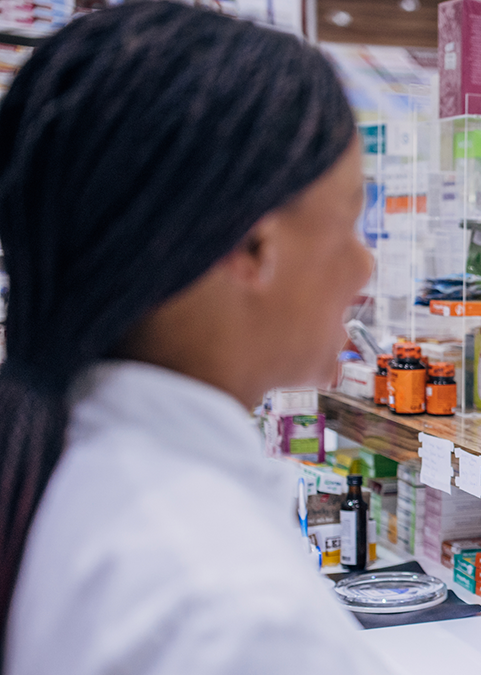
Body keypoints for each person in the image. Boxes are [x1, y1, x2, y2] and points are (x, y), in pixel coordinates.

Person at [0, 4, 399, 673]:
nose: (366, 268)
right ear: (252, 246)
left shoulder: (64, 451)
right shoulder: (238, 613)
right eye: (351, 221)